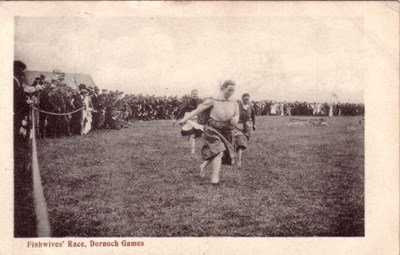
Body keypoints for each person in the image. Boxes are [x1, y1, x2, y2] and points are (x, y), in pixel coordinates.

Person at [178, 80, 239, 184]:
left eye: (232, 91)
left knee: (218, 152)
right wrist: (183, 119)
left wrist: (236, 119)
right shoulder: (213, 99)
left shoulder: (234, 102)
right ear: (223, 88)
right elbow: (197, 110)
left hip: (226, 129)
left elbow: (237, 114)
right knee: (218, 151)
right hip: (213, 129)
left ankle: (203, 166)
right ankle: (215, 178)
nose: (230, 93)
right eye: (229, 90)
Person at [173, 89, 203, 155]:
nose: (195, 95)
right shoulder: (187, 102)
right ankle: (192, 150)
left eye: (196, 94)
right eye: (194, 94)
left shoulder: (200, 101)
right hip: (188, 119)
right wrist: (176, 119)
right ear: (191, 94)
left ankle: (191, 140)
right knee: (192, 135)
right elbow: (181, 110)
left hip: (196, 119)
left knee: (196, 134)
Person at [233, 93, 256, 166]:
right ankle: (238, 161)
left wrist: (254, 124)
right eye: (245, 99)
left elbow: (253, 115)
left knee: (242, 143)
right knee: (240, 143)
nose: (246, 101)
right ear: (242, 99)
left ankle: (235, 158)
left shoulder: (250, 105)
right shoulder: (237, 105)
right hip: (238, 126)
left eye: (248, 99)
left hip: (247, 126)